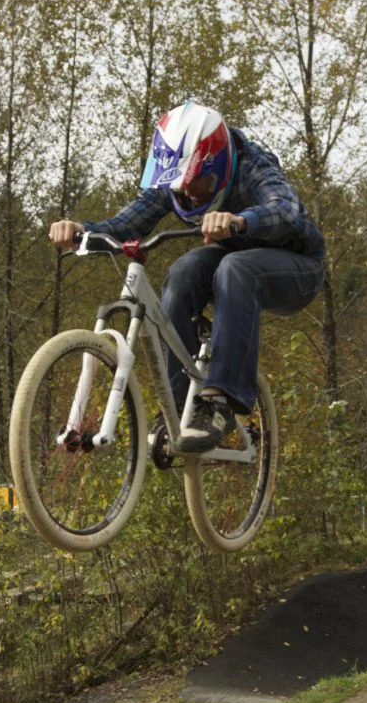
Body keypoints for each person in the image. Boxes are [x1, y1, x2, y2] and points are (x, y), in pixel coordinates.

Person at [49, 100, 326, 453]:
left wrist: (242, 220)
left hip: (298, 267)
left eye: (197, 184)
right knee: (182, 272)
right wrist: (82, 230)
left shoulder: (251, 164)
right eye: (180, 187)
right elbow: (127, 224)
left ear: (219, 164)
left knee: (236, 268)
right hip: (236, 262)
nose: (189, 194)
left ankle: (220, 401)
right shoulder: (177, 180)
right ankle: (181, 406)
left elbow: (285, 208)